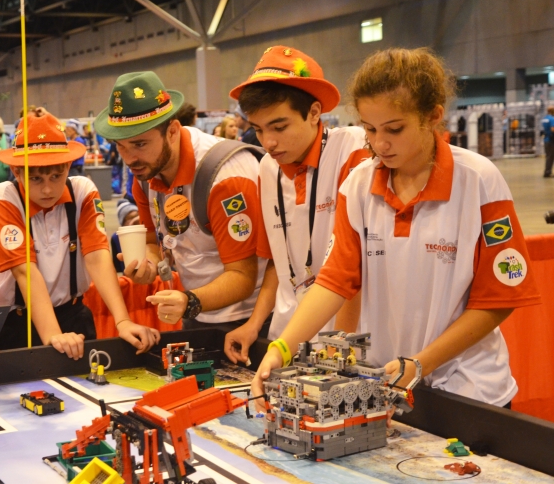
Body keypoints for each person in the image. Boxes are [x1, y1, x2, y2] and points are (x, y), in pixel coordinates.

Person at [252, 47, 541, 410]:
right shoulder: (358, 184)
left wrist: (422, 363)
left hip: (467, 389)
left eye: (394, 129)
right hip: (387, 384)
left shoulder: (479, 181)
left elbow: (498, 300)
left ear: (432, 116)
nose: (380, 144)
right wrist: (283, 347)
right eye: (370, 129)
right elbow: (334, 280)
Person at [224, 46, 370, 365]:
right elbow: (279, 262)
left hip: (344, 338)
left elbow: (354, 269)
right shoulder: (266, 167)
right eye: (259, 130)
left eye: (279, 127)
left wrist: (340, 349)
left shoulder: (353, 151)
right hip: (286, 337)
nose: (268, 142)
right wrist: (254, 324)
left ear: (315, 112)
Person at [94, 71, 267, 332]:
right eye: (120, 146)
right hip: (195, 311)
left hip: (253, 319)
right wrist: (149, 264)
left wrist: (189, 301)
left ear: (173, 131)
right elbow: (154, 241)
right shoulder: (144, 173)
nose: (129, 159)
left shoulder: (225, 178)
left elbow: (243, 277)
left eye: (139, 144)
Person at [0, 112, 160, 359]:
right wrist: (54, 336)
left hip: (73, 316)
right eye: (35, 178)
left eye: (56, 176)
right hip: (13, 322)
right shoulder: (4, 196)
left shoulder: (83, 191)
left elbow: (97, 257)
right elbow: (25, 271)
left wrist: (123, 322)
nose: (47, 188)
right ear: (16, 171)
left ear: (68, 166)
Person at [110, 200, 141, 273]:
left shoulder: (148, 233)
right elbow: (117, 267)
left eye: (137, 215)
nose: (135, 220)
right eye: (130, 218)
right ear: (123, 223)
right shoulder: (116, 237)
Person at [542, 106, 554, 177]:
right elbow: (553, 129)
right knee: (551, 156)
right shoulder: (552, 119)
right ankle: (547, 172)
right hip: (551, 140)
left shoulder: (545, 118)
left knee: (548, 156)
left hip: (546, 139)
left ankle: (547, 171)